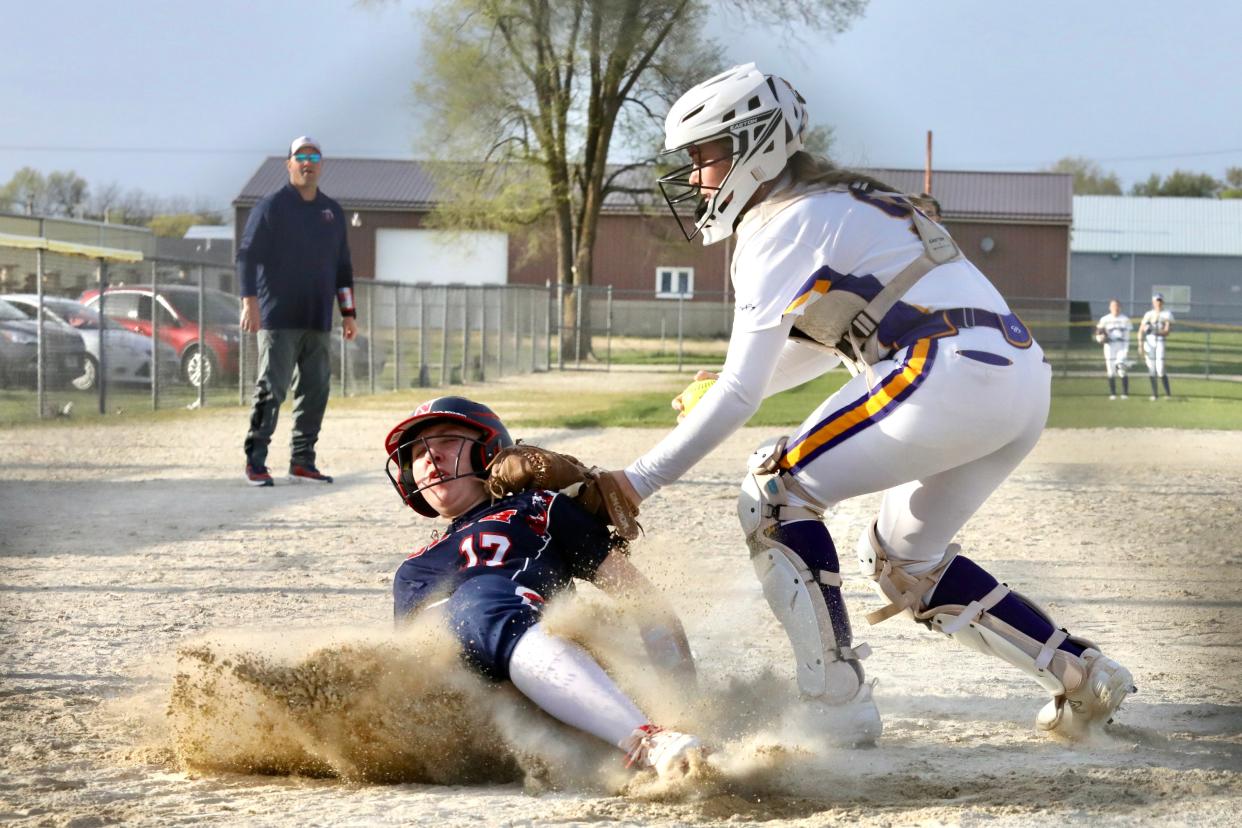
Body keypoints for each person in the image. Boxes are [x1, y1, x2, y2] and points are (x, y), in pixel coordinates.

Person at [610, 63, 1134, 744]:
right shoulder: (841, 198)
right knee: (904, 559)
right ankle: (1077, 671)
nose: (698, 175)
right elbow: (823, 346)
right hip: (1014, 376)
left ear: (754, 144)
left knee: (773, 494)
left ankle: (835, 703)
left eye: (706, 156)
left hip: (941, 370)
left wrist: (636, 480)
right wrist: (743, 381)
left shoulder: (777, 223)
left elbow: (741, 389)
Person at [384, 396, 703, 780]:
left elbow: (643, 602)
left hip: (535, 645)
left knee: (481, 600)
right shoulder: (413, 568)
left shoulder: (537, 507)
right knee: (464, 609)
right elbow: (405, 664)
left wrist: (685, 703)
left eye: (446, 442)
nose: (429, 459)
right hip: (466, 688)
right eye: (417, 453)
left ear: (489, 451)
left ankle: (648, 741)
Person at [238, 135, 358, 487]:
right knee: (271, 391)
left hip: (318, 319)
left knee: (316, 391)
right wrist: (250, 302)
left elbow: (343, 268)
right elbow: (246, 256)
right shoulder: (272, 207)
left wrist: (348, 314)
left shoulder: (332, 212)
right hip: (278, 318)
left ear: (321, 164)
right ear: (289, 164)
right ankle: (255, 461)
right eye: (300, 156)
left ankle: (302, 461)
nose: (308, 162)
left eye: (314, 156)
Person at [1138, 293, 1174, 400]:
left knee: (1160, 368)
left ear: (1162, 302)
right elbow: (1141, 330)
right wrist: (1140, 344)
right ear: (1153, 302)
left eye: (1160, 301)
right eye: (1156, 301)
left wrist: (1154, 330)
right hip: (1149, 342)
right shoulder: (1148, 314)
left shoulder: (1167, 314)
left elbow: (1167, 331)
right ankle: (1154, 394)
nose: (1158, 303)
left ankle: (1168, 394)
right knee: (1151, 368)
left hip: (1160, 340)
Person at [1095, 298, 1131, 399]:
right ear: (1110, 307)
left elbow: (1127, 337)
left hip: (1121, 346)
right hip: (1109, 346)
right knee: (1110, 370)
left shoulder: (1125, 319)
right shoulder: (1105, 319)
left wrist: (1126, 350)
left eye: (1117, 306)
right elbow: (1098, 333)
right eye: (1113, 306)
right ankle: (1113, 393)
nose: (1115, 308)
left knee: (1121, 368)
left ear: (1120, 307)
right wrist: (1100, 338)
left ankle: (1125, 393)